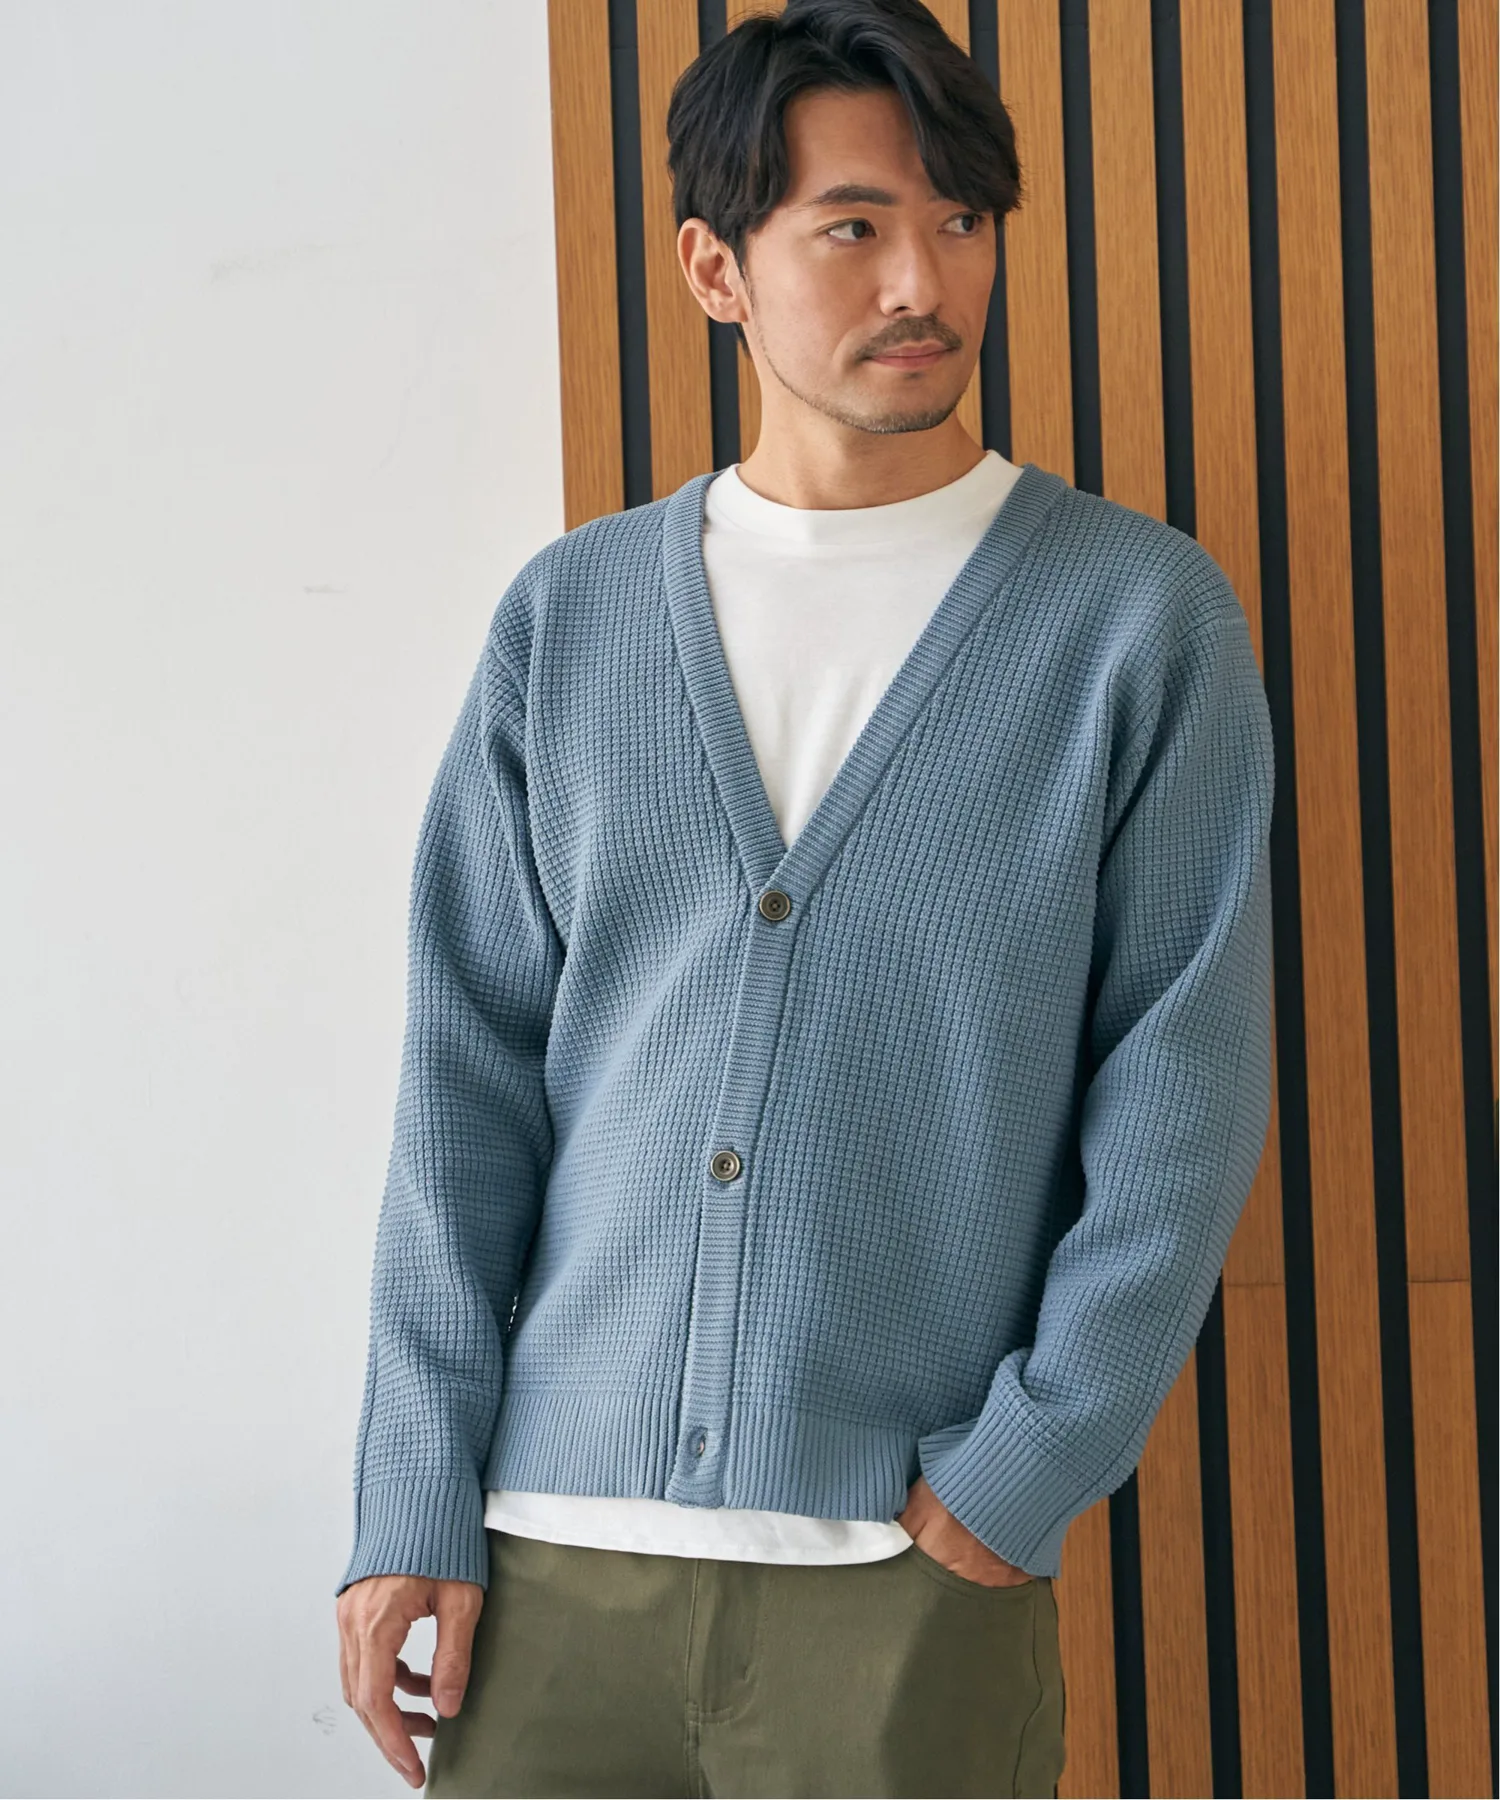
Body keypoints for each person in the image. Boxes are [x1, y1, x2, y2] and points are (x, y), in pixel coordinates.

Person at [334, 1, 1276, 1794]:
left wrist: (1016, 1479)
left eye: (960, 221)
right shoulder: (570, 621)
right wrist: (410, 1496)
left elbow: (1186, 1090)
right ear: (718, 269)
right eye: (852, 226)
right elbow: (465, 1088)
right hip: (544, 1570)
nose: (923, 279)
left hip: (902, 1577)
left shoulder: (1135, 624)